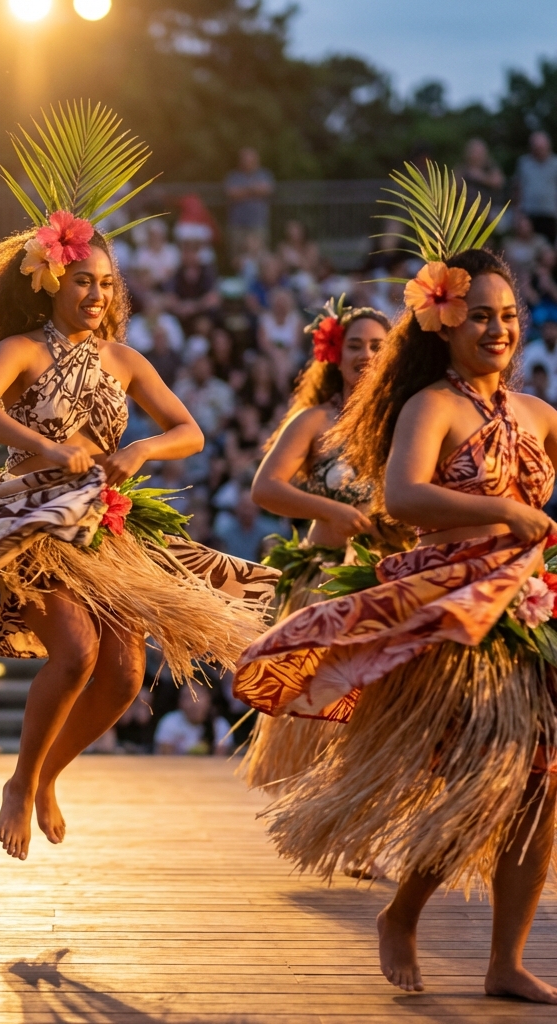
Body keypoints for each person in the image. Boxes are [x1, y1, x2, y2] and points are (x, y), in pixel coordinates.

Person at [0, 102, 279, 861]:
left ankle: (48, 774)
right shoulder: (23, 348)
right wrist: (46, 450)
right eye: (82, 281)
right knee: (78, 653)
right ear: (52, 281)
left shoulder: (124, 360)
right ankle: (22, 780)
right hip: (26, 524)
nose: (96, 294)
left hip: (102, 524)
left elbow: (191, 430)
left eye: (105, 284)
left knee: (123, 676)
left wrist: (142, 452)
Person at [233, 162, 557, 1003]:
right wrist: (510, 517)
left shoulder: (538, 416)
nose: (497, 330)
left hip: (527, 607)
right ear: (444, 327)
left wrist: (533, 529)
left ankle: (503, 960)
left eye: (509, 317)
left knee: (541, 781)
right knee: (488, 772)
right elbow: (405, 495)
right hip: (449, 610)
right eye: (479, 317)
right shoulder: (433, 407)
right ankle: (402, 912)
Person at [245, 299, 392, 791]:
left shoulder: (407, 421)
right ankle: (321, 800)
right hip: (325, 582)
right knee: (327, 703)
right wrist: (330, 510)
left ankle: (358, 806)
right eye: (355, 345)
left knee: (376, 705)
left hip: (387, 582)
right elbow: (266, 488)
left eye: (377, 345)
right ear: (335, 353)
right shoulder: (313, 420)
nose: (366, 354)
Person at [225, 147, 275, 258]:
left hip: (258, 223)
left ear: (256, 160)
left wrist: (243, 191)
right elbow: (231, 193)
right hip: (237, 224)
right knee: (237, 256)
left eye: (249, 159)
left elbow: (266, 190)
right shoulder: (233, 176)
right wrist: (254, 190)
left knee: (261, 255)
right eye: (244, 159)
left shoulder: (264, 174)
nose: (246, 162)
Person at [516, 131, 557, 244]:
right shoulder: (524, 163)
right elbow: (518, 189)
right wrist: (518, 214)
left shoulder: (555, 164)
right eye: (536, 147)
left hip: (550, 215)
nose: (539, 150)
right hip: (529, 214)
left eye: (542, 147)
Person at [456, 138, 506, 215]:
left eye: (480, 152)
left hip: (489, 208)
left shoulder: (490, 167)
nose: (477, 155)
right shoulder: (463, 168)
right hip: (465, 209)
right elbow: (452, 186)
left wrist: (481, 177)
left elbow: (499, 182)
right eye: (475, 152)